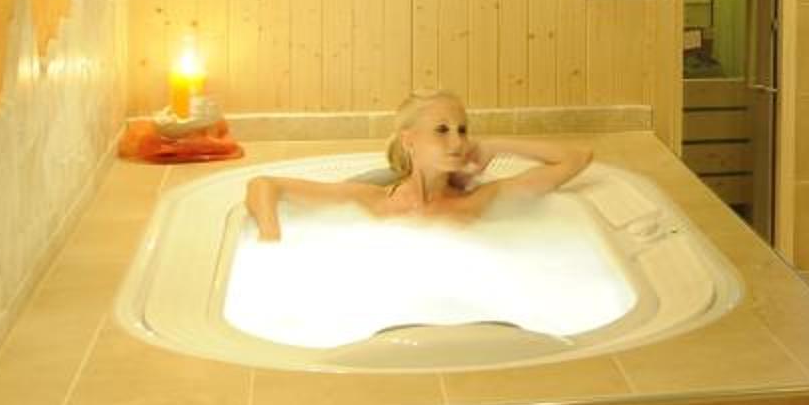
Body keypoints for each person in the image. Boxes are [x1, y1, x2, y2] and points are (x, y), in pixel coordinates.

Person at [243, 90, 592, 241]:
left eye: (462, 130)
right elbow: (263, 186)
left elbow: (577, 158)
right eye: (442, 130)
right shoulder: (370, 198)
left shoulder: (480, 200)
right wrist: (271, 237)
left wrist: (496, 146)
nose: (457, 142)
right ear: (409, 140)